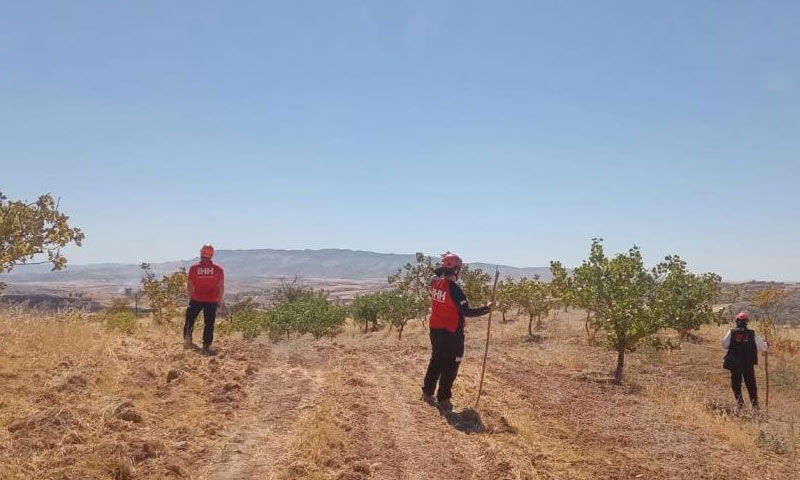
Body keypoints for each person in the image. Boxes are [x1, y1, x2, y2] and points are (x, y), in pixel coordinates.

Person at [421, 252, 493, 411]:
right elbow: (466, 311)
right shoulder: (454, 290)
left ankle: (427, 393)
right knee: (451, 364)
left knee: (436, 360)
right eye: (459, 269)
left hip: (435, 329)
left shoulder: (435, 282)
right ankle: (444, 398)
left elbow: (435, 273)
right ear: (456, 270)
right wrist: (487, 309)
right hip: (452, 332)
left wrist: (445, 263)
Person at [184, 244, 225, 356]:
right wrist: (220, 300)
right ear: (212, 255)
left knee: (190, 320)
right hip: (212, 301)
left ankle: (187, 341)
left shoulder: (194, 268)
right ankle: (206, 346)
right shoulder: (218, 269)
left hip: (196, 299)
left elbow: (189, 286)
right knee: (209, 324)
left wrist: (190, 299)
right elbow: (221, 286)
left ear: (201, 253)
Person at [722, 311, 768, 410]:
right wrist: (766, 344)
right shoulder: (752, 333)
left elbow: (724, 345)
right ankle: (755, 405)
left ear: (736, 321)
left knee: (736, 384)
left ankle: (740, 404)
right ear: (747, 322)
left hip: (735, 363)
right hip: (748, 363)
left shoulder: (732, 332)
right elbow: (763, 347)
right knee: (751, 384)